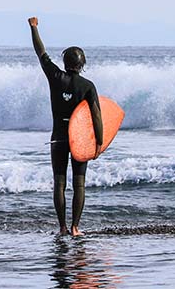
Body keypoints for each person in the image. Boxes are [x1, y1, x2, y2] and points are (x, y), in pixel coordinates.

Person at [28, 16, 103, 236]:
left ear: (65, 62)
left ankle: (61, 227)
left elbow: (41, 54)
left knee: (59, 182)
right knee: (79, 184)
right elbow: (97, 116)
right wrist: (99, 142)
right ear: (82, 64)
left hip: (59, 137)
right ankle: (75, 227)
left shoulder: (55, 77)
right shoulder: (88, 86)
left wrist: (34, 28)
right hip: (80, 139)